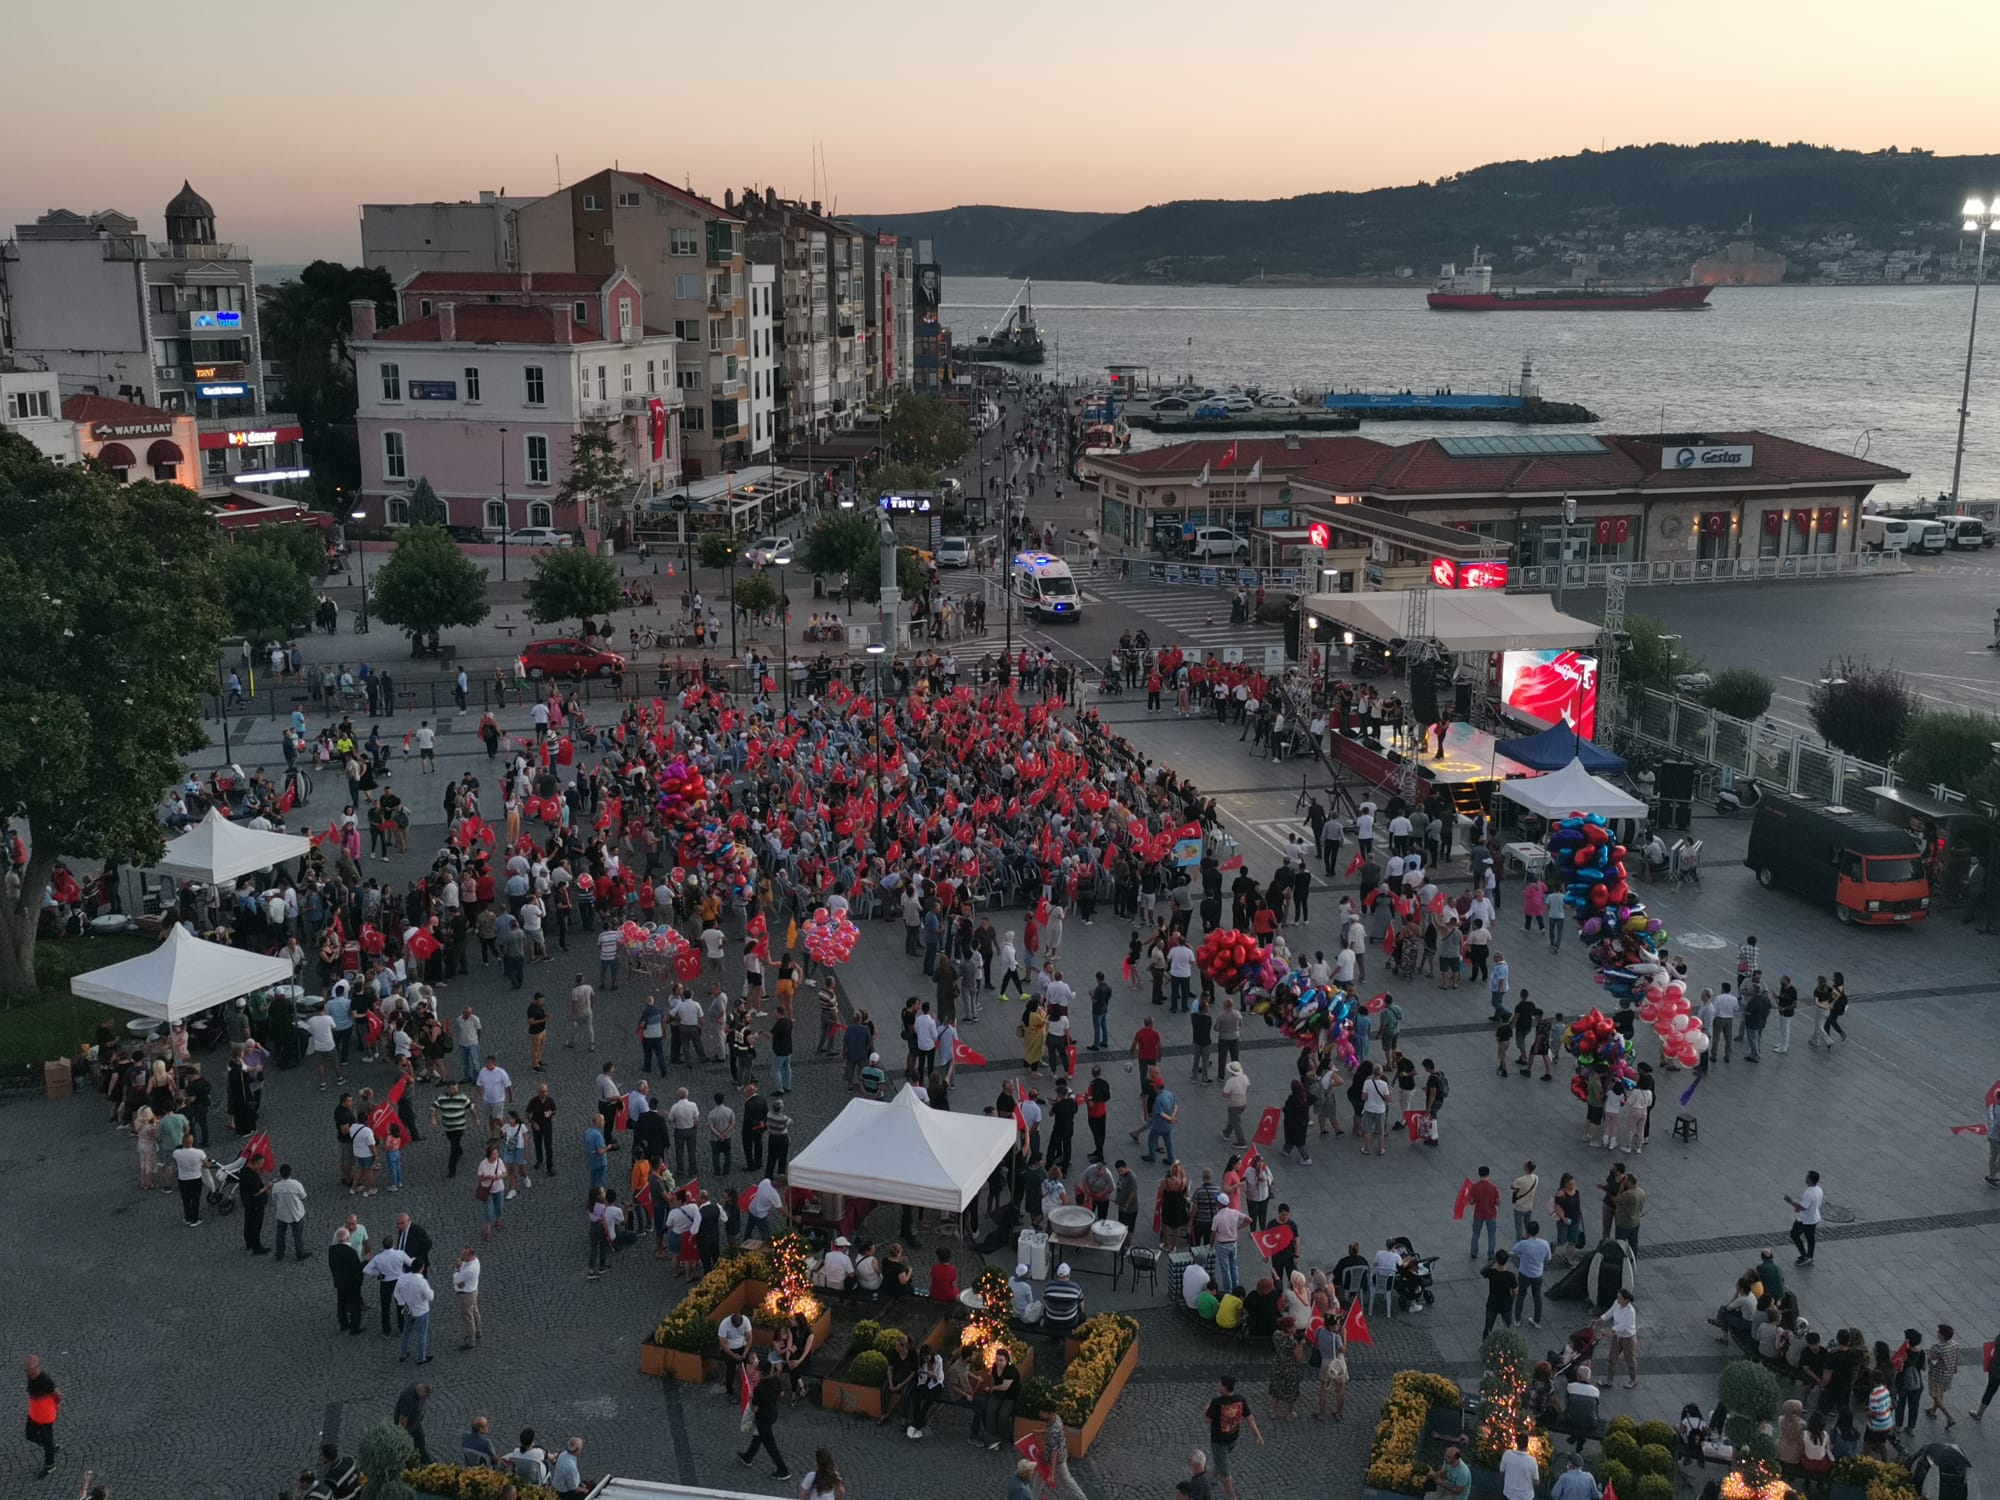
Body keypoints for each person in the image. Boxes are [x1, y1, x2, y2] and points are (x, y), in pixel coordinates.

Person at [1203, 1375, 1264, 1500]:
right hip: (1233, 1438)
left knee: (1224, 1471)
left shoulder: (1216, 1402)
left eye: (1219, 1384)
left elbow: (1207, 1420)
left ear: (1224, 1387)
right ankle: (1211, 1479)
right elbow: (1249, 1418)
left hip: (1219, 1441)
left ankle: (1232, 1497)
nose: (1218, 1385)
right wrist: (1258, 1435)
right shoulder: (1240, 1399)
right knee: (1220, 1461)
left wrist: (1206, 1409)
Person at [737, 1351, 790, 1479]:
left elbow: (754, 1409)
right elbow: (781, 1393)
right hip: (773, 1413)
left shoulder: (760, 1388)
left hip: (763, 1418)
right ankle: (748, 1457)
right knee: (758, 1436)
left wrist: (750, 1398)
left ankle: (783, 1471)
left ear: (760, 1372)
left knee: (770, 1445)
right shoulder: (775, 1380)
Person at [23, 1356, 60, 1477]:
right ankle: (51, 1447)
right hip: (34, 1414)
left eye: (32, 1370)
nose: (29, 1373)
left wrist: (56, 1405)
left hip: (45, 1416)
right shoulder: (31, 1377)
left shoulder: (45, 1380)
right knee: (30, 1435)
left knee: (47, 1439)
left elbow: (57, 1394)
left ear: (38, 1368)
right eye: (27, 1370)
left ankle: (50, 1465)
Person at [1598, 1289, 1639, 1388]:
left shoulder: (1630, 1311)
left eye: (1620, 1298)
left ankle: (1633, 1380)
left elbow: (1623, 1326)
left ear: (1626, 1300)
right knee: (1612, 1358)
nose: (1617, 1299)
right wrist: (1599, 1320)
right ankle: (1609, 1381)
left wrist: (1608, 1331)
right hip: (1617, 1336)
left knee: (1629, 1359)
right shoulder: (1616, 1303)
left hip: (1628, 1338)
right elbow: (1609, 1313)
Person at [329, 1226, 367, 1335]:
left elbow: (332, 1265)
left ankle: (344, 1324)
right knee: (355, 1305)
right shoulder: (351, 1252)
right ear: (347, 1238)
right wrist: (366, 1261)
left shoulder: (332, 1250)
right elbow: (357, 1268)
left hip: (340, 1281)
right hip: (352, 1283)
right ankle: (355, 1328)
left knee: (341, 1303)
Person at [1787, 1171, 1823, 1264]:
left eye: (1807, 1176)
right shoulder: (1818, 1189)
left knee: (1794, 1235)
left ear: (1810, 1179)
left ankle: (1805, 1256)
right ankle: (1809, 1256)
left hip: (1806, 1220)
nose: (1805, 1178)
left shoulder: (1809, 1193)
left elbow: (1803, 1207)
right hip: (1813, 1218)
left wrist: (1790, 1202)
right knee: (1810, 1238)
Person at [1498, 1431, 1540, 1500]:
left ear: (1516, 1443)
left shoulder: (1507, 1454)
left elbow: (1501, 1472)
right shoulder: (1532, 1461)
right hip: (1526, 1496)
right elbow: (1536, 1482)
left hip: (1508, 1494)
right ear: (1527, 1444)